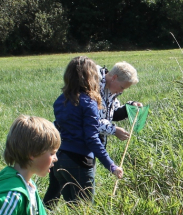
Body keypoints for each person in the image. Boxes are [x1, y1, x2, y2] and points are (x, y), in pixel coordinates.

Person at [43, 56, 124, 205]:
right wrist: (111, 165)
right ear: (91, 77)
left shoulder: (60, 100)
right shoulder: (88, 102)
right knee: (83, 212)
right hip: (79, 162)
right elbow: (92, 138)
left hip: (60, 158)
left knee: (69, 205)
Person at [98, 61, 143, 147]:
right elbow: (89, 121)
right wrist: (113, 130)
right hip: (79, 146)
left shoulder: (110, 90)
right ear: (114, 78)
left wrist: (129, 108)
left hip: (95, 147)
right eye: (122, 87)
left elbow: (113, 114)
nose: (121, 91)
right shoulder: (92, 89)